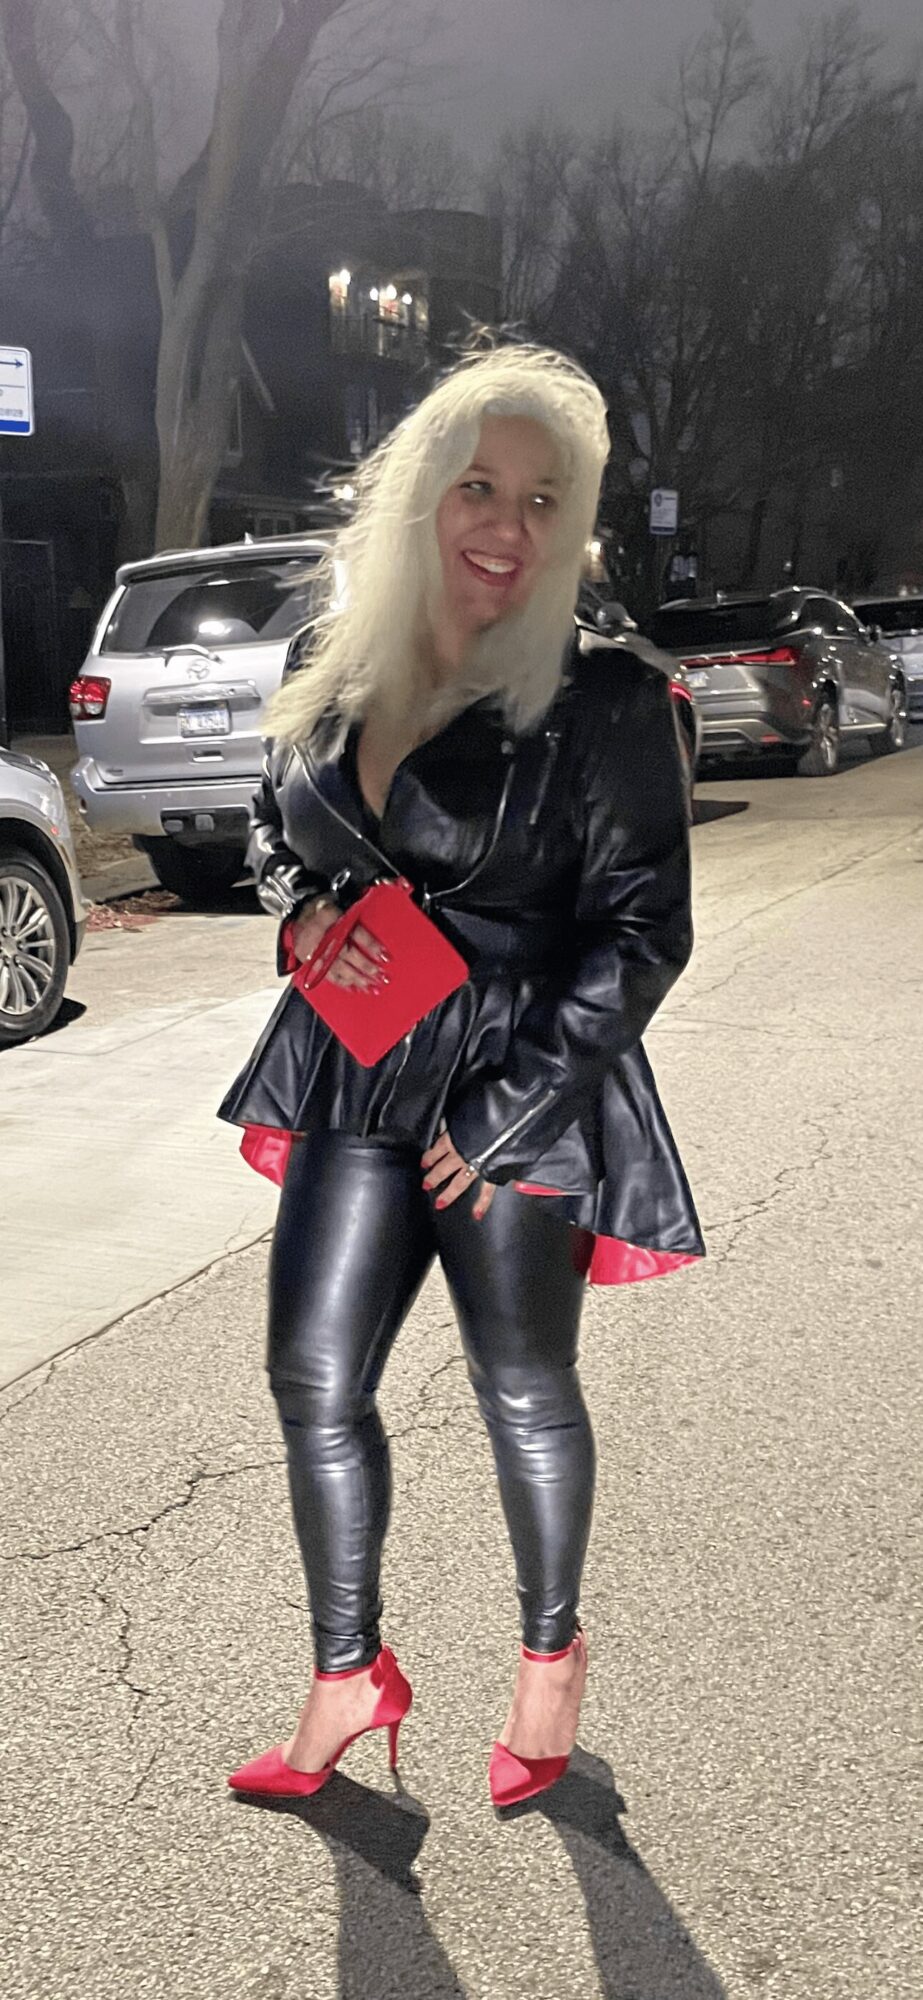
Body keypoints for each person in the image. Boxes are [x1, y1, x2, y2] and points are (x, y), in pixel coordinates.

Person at [219, 343, 704, 1809]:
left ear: (573, 528)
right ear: (422, 494)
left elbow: (646, 934)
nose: (507, 523)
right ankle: (346, 1675)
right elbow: (274, 827)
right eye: (480, 486)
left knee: (522, 1386)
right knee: (312, 1376)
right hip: (357, 1060)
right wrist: (300, 911)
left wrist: (508, 1111)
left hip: (518, 1078)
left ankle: (549, 1664)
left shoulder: (602, 697)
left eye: (544, 501)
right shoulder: (341, 666)